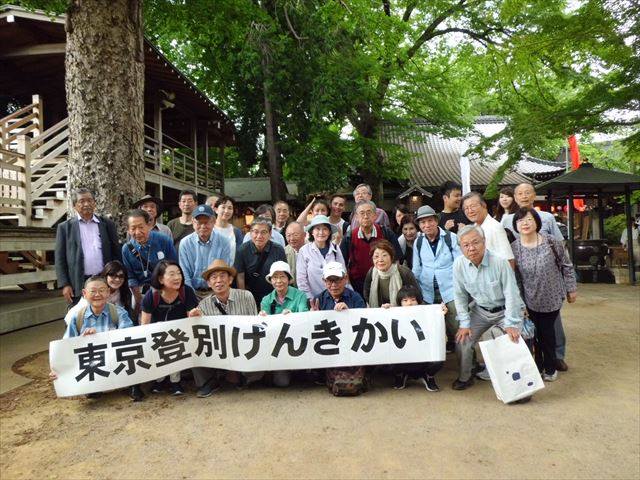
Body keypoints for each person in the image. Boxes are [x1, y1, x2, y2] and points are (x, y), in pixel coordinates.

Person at [501, 182, 568, 371]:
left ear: (534, 195)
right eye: (520, 193)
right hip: (524, 279)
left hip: (548, 282)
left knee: (553, 324)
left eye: (527, 192)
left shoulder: (547, 217)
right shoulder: (507, 220)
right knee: (530, 324)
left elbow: (561, 246)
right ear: (515, 197)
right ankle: (535, 361)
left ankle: (557, 356)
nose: (524, 196)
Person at [451, 226, 524, 391]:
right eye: (466, 245)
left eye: (476, 242)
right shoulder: (458, 265)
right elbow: (460, 295)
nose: (471, 248)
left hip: (506, 311)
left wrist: (511, 322)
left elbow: (512, 293)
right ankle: (466, 376)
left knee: (501, 337)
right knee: (463, 339)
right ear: (461, 247)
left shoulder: (499, 262)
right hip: (481, 310)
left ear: (484, 242)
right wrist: (464, 323)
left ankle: (509, 378)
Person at [510, 208, 577, 382]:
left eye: (529, 219)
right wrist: (519, 301)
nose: (525, 223)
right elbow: (515, 278)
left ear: (537, 222)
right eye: (520, 221)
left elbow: (567, 266)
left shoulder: (551, 242)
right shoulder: (514, 248)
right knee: (534, 334)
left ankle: (549, 367)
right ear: (515, 225)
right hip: (529, 298)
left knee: (546, 333)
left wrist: (571, 289)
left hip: (551, 297)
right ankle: (538, 365)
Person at [52, 276, 140, 401]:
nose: (97, 294)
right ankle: (94, 385)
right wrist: (58, 368)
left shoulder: (119, 313)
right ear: (84, 293)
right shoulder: (78, 317)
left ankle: (132, 384)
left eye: (102, 290)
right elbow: (66, 345)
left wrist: (100, 337)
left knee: (130, 352)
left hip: (115, 359)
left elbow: (129, 338)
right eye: (92, 291)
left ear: (108, 292)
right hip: (93, 362)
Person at [193, 259, 258, 397]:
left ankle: (242, 375)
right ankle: (209, 382)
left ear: (230, 280)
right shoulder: (204, 305)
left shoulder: (246, 296)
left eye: (222, 276)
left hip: (244, 345)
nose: (218, 281)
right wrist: (194, 319)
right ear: (209, 283)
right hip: (219, 349)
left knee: (257, 372)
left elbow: (255, 326)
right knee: (195, 346)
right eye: (214, 277)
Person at [141, 260, 200, 396]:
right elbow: (144, 325)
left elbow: (192, 321)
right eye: (172, 274)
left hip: (180, 335)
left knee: (176, 344)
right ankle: (159, 380)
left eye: (179, 273)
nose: (177, 277)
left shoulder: (187, 292)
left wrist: (194, 315)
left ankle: (175, 382)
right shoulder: (151, 296)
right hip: (157, 335)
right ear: (161, 279)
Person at [55, 188, 121, 307]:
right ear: (75, 205)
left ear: (95, 203)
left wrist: (115, 278)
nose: (87, 204)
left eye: (90, 200)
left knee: (107, 315)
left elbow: (116, 253)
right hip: (79, 282)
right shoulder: (65, 228)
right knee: (79, 317)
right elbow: (60, 259)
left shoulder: (107, 224)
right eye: (82, 201)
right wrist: (65, 284)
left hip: (104, 279)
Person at [311, 262, 367, 395]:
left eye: (337, 280)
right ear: (324, 281)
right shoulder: (319, 299)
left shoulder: (356, 298)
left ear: (345, 279)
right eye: (330, 281)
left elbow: (364, 325)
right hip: (328, 348)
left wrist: (349, 313)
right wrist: (312, 316)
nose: (334, 285)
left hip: (352, 346)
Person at [411, 205, 461, 353]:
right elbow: (417, 268)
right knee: (429, 329)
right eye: (422, 222)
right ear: (419, 225)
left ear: (436, 221)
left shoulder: (450, 238)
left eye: (430, 221)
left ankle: (468, 365)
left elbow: (459, 265)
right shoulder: (418, 242)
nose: (427, 225)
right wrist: (417, 291)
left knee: (457, 328)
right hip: (427, 292)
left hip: (450, 291)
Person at [258, 261, 309, 387]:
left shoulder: (300, 295)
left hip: (296, 342)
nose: (278, 281)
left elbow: (305, 315)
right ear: (270, 280)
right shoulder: (266, 299)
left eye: (282, 277)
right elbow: (265, 326)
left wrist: (293, 315)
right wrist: (263, 317)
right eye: (275, 277)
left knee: (302, 377)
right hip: (277, 346)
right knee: (282, 382)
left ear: (289, 279)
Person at [122, 209, 178, 317]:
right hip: (140, 291)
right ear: (128, 230)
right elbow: (130, 276)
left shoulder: (163, 240)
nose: (137, 232)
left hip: (165, 288)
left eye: (141, 227)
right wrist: (138, 299)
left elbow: (174, 267)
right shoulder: (126, 249)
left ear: (149, 225)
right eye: (133, 228)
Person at [388, 285, 445, 391]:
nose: (409, 303)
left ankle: (428, 376)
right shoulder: (394, 314)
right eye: (405, 300)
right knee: (387, 354)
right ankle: (400, 375)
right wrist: (384, 311)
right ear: (400, 303)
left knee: (439, 356)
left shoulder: (428, 314)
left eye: (413, 300)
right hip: (403, 357)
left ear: (419, 301)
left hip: (424, 356)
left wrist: (440, 313)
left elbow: (436, 330)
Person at [341, 200, 402, 296]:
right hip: (357, 284)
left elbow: (396, 259)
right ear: (356, 217)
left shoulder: (386, 233)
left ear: (375, 216)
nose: (365, 216)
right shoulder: (349, 237)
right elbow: (342, 263)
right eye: (362, 213)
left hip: (383, 281)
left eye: (369, 213)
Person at [179, 204, 232, 299]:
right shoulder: (185, 243)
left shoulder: (224, 242)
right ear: (193, 222)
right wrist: (190, 296)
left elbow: (225, 271)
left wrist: (218, 295)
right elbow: (184, 272)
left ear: (214, 222)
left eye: (206, 222)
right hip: (192, 291)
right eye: (199, 223)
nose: (203, 226)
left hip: (216, 292)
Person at [63, 260, 133, 329]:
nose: (117, 279)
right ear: (105, 275)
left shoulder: (124, 292)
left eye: (121, 276)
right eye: (113, 275)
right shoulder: (94, 290)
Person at [235, 217, 287, 306]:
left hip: (274, 296)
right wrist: (243, 299)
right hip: (250, 297)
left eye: (264, 232)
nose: (259, 236)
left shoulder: (278, 249)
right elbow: (240, 277)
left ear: (270, 233)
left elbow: (284, 275)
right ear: (250, 233)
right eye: (255, 232)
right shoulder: (242, 250)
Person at [296, 215, 347, 300]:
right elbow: (301, 281)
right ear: (312, 232)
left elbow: (343, 274)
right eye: (317, 229)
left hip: (336, 299)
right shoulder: (304, 251)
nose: (321, 232)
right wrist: (310, 300)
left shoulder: (335, 248)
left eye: (325, 229)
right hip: (313, 300)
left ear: (329, 232)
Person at [461, 192, 514, 266]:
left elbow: (509, 259)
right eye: (466, 208)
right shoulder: (474, 228)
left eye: (473, 206)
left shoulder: (495, 227)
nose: (470, 211)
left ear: (484, 205)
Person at [363, 239, 420, 308]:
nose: (380, 260)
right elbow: (366, 294)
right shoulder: (371, 272)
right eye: (376, 257)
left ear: (391, 257)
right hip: (379, 312)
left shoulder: (404, 272)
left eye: (384, 255)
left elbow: (417, 295)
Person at [213, 195, 244, 264]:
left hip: (231, 270)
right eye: (223, 207)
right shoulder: (209, 230)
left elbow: (239, 254)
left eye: (230, 208)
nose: (226, 211)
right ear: (216, 209)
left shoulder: (236, 232)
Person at [284, 222, 306, 286]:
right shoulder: (284, 252)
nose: (292, 238)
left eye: (295, 235)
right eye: (288, 235)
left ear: (304, 235)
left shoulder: (312, 250)